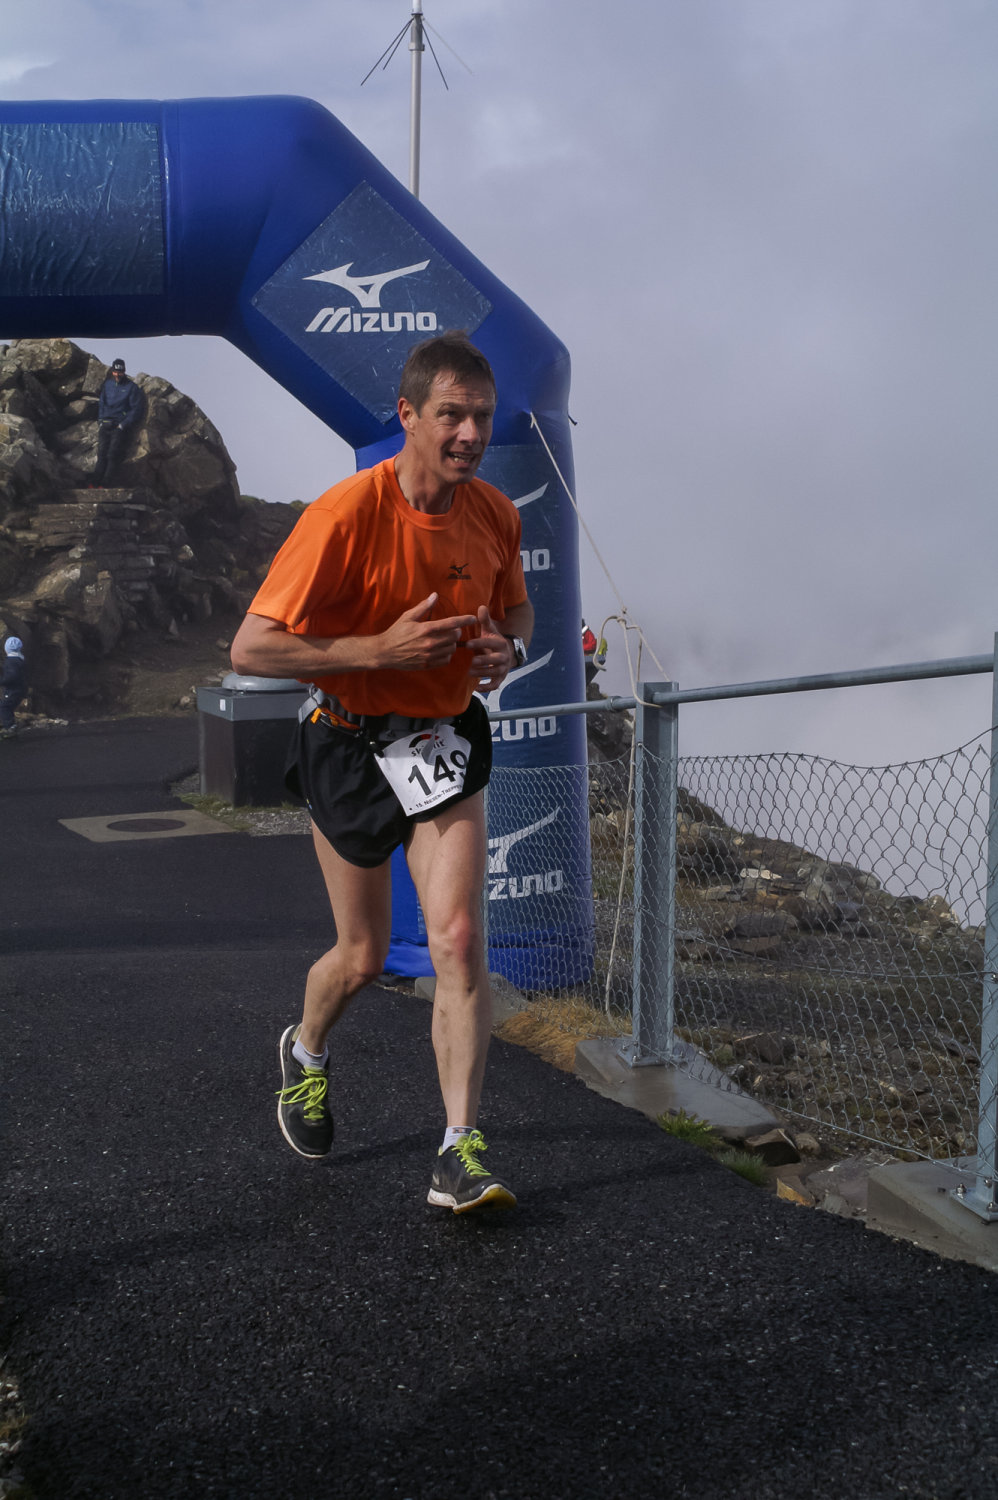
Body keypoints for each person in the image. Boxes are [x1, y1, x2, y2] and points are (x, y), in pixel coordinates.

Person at [230, 332, 534, 1214]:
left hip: (441, 739)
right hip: (347, 742)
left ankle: (459, 1151)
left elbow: (516, 610)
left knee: (459, 943)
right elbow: (251, 648)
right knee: (362, 955)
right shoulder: (344, 515)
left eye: (481, 416)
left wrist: (507, 650)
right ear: (408, 415)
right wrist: (377, 650)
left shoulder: (496, 514)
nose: (470, 434)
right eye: (452, 415)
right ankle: (306, 1050)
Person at [91, 358, 143, 487]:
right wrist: (101, 420)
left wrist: (123, 425)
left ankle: (105, 484)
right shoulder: (107, 385)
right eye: (115, 372)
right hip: (105, 424)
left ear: (124, 372)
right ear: (112, 371)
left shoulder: (132, 388)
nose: (117, 375)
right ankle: (94, 483)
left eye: (120, 372)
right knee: (101, 453)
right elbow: (102, 403)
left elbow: (136, 409)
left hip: (118, 426)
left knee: (112, 454)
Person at [1, 636, 26, 738]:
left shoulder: (11, 661)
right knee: (8, 707)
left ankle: (11, 727)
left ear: (6, 648)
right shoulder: (20, 659)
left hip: (13, 689)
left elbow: (11, 676)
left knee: (4, 707)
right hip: (20, 689)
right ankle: (11, 726)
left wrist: (2, 681)